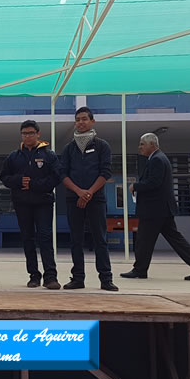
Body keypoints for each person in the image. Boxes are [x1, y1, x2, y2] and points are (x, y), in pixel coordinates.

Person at [121, 133, 190, 281]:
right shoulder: (159, 158)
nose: (140, 147)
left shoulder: (157, 160)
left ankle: (140, 270)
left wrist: (135, 186)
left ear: (152, 145)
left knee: (143, 240)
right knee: (175, 239)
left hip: (154, 209)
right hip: (162, 209)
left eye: (142, 144)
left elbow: (154, 182)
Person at [60, 107, 119, 291]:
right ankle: (78, 278)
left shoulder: (102, 146)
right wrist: (79, 192)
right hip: (74, 199)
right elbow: (62, 174)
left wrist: (89, 193)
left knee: (100, 239)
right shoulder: (69, 148)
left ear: (92, 121)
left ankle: (106, 279)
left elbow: (105, 172)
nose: (81, 122)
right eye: (78, 119)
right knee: (76, 240)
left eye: (84, 119)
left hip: (96, 199)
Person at [0, 120, 62, 290]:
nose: (27, 136)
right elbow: (4, 177)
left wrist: (34, 184)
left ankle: (50, 276)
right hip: (22, 203)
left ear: (38, 134)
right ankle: (34, 275)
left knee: (45, 237)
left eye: (31, 133)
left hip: (43, 202)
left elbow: (57, 177)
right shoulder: (14, 156)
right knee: (27, 238)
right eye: (24, 133)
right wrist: (19, 181)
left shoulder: (49, 155)